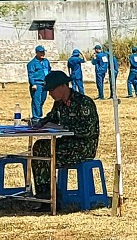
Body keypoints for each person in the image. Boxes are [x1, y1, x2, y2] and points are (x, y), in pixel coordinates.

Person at [30, 70, 101, 199]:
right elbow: (52, 117)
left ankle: (51, 196)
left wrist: (65, 128)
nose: (50, 94)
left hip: (83, 147)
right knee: (39, 146)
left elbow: (88, 130)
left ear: (63, 86)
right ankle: (45, 193)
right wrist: (39, 123)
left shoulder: (83, 103)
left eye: (52, 90)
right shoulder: (59, 103)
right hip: (67, 144)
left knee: (45, 154)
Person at [26, 46, 50, 119]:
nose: (43, 53)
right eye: (41, 52)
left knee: (42, 100)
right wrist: (33, 84)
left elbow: (49, 70)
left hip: (45, 84)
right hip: (37, 84)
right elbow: (31, 75)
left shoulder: (46, 61)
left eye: (43, 52)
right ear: (36, 53)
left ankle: (39, 115)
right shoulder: (32, 63)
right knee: (36, 101)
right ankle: (36, 117)